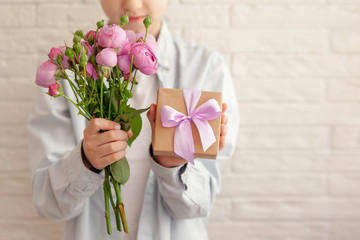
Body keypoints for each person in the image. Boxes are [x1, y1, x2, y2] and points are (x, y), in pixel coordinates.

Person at [27, 0, 239, 239]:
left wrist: (172, 166)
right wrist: (85, 162)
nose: (133, 3)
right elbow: (48, 205)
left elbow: (197, 207)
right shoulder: (68, 74)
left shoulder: (205, 68)